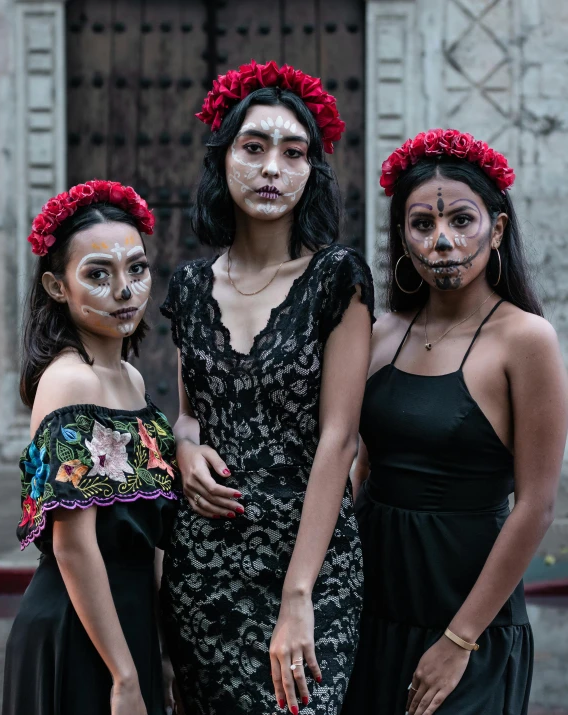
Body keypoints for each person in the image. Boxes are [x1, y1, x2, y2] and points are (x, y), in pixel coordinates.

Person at [159, 60, 375, 715]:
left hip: (309, 564)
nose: (273, 167)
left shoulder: (338, 278)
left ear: (312, 170)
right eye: (254, 148)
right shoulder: (191, 287)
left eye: (294, 151)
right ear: (224, 160)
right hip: (206, 563)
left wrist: (298, 595)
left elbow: (339, 439)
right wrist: (184, 446)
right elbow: (190, 412)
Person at [342, 129, 568, 715]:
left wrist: (459, 640)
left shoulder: (525, 340)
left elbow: (537, 505)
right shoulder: (381, 332)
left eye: (461, 221)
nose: (442, 240)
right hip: (372, 606)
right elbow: (362, 465)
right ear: (403, 238)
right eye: (422, 225)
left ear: (495, 229)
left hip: (468, 617)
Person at [3, 180, 179, 715]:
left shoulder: (130, 378)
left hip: (127, 626)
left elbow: (147, 534)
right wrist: (124, 676)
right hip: (78, 630)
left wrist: (160, 654)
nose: (124, 290)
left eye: (137, 268)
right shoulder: (68, 382)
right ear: (58, 287)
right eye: (98, 274)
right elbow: (73, 546)